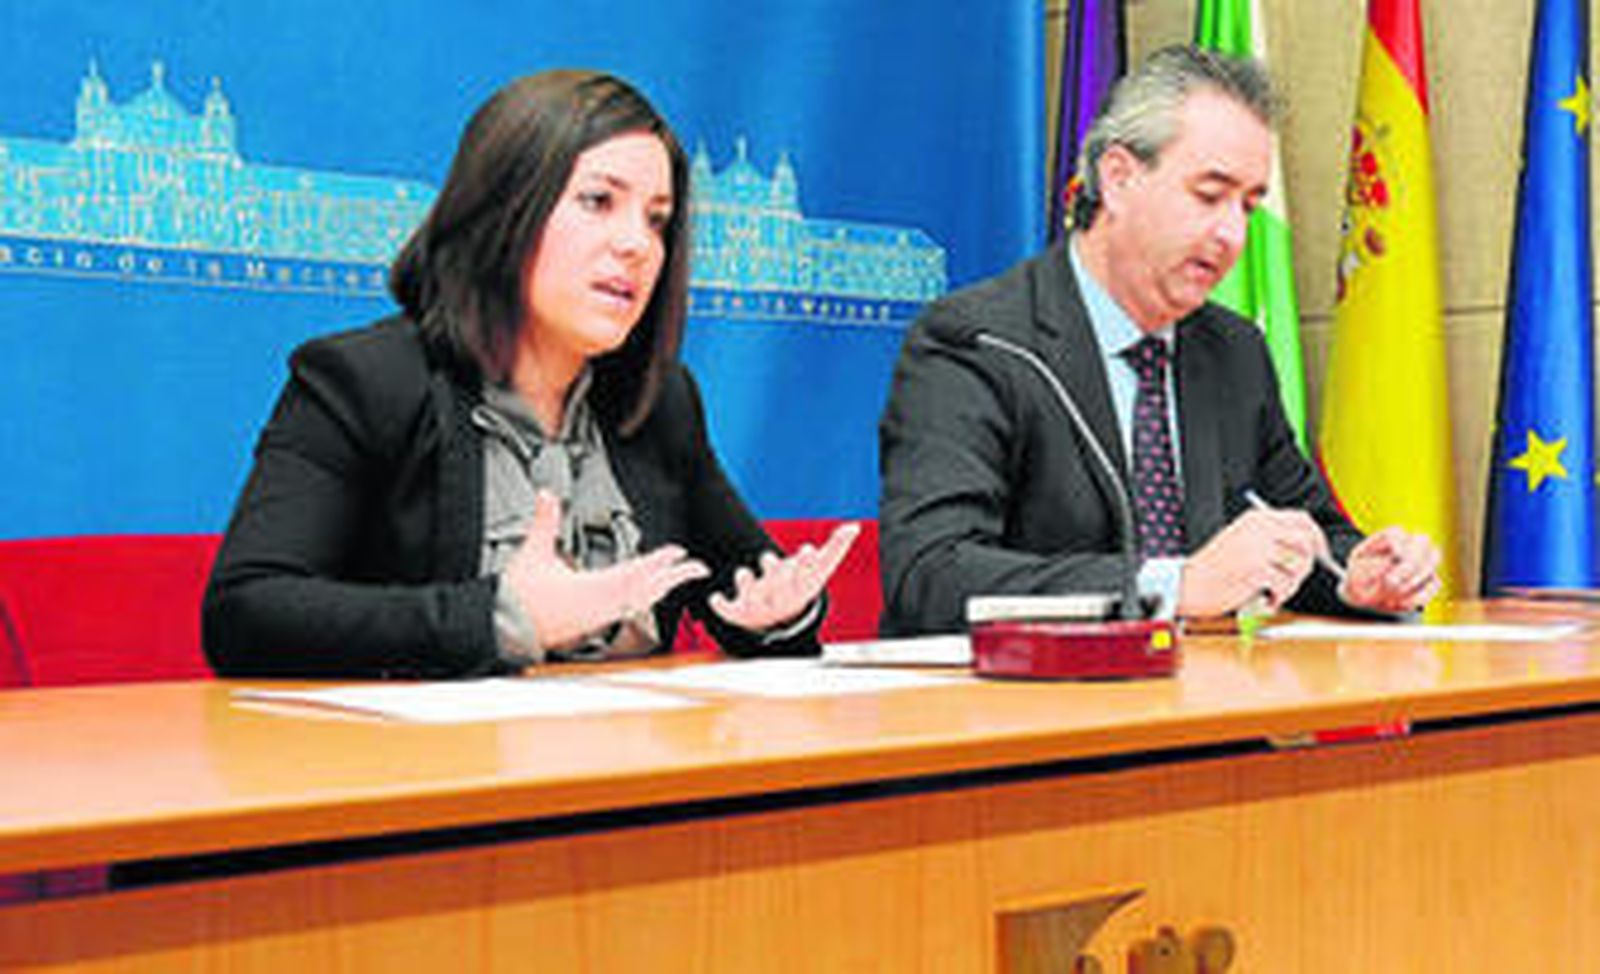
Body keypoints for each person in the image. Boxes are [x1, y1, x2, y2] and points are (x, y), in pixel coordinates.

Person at [203, 70, 856, 678]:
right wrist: (499, 619)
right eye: (599, 201)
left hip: (631, 774)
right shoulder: (364, 381)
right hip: (440, 782)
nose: (636, 244)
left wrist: (778, 616)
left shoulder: (659, 403)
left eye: (657, 220)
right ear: (503, 209)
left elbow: (741, 587)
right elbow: (247, 613)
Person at [878, 46, 1440, 636]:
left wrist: (1356, 575)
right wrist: (1172, 586)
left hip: (1203, 709)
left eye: (1249, 206)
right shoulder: (979, 341)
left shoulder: (1234, 352)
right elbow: (931, 575)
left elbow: (1303, 523)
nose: (1232, 234)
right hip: (1026, 711)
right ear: (1117, 178)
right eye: (1209, 195)